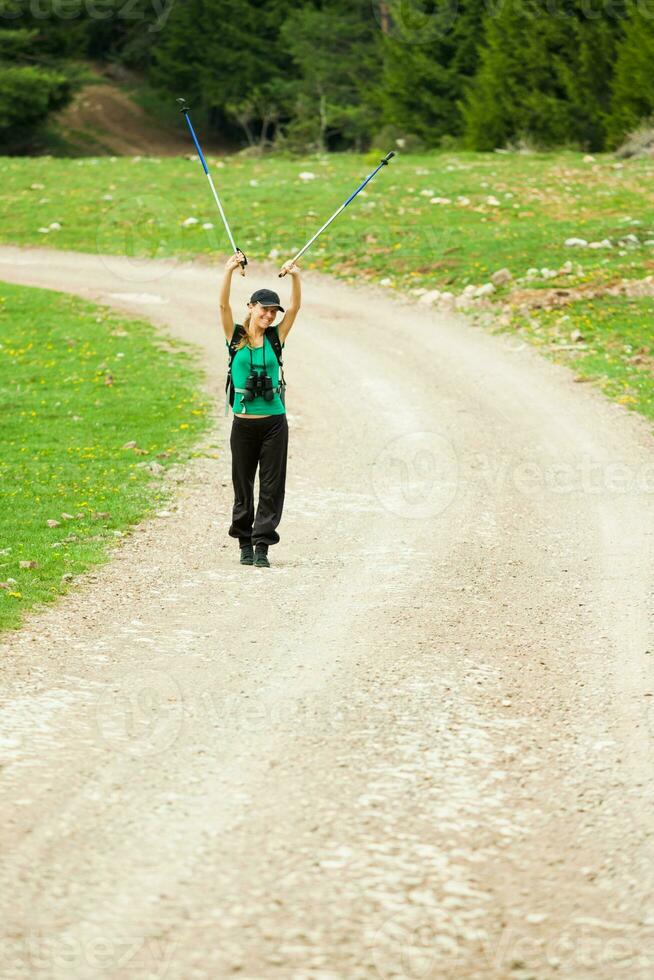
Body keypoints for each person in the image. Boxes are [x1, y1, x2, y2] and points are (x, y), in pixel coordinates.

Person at [220, 250, 301, 568]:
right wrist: (228, 271)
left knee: (271, 485)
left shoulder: (275, 338)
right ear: (251, 308)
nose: (269, 316)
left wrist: (295, 276)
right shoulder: (235, 337)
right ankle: (244, 542)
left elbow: (295, 308)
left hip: (274, 424)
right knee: (243, 484)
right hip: (244, 425)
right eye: (264, 310)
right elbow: (223, 306)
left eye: (273, 312)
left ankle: (263, 545)